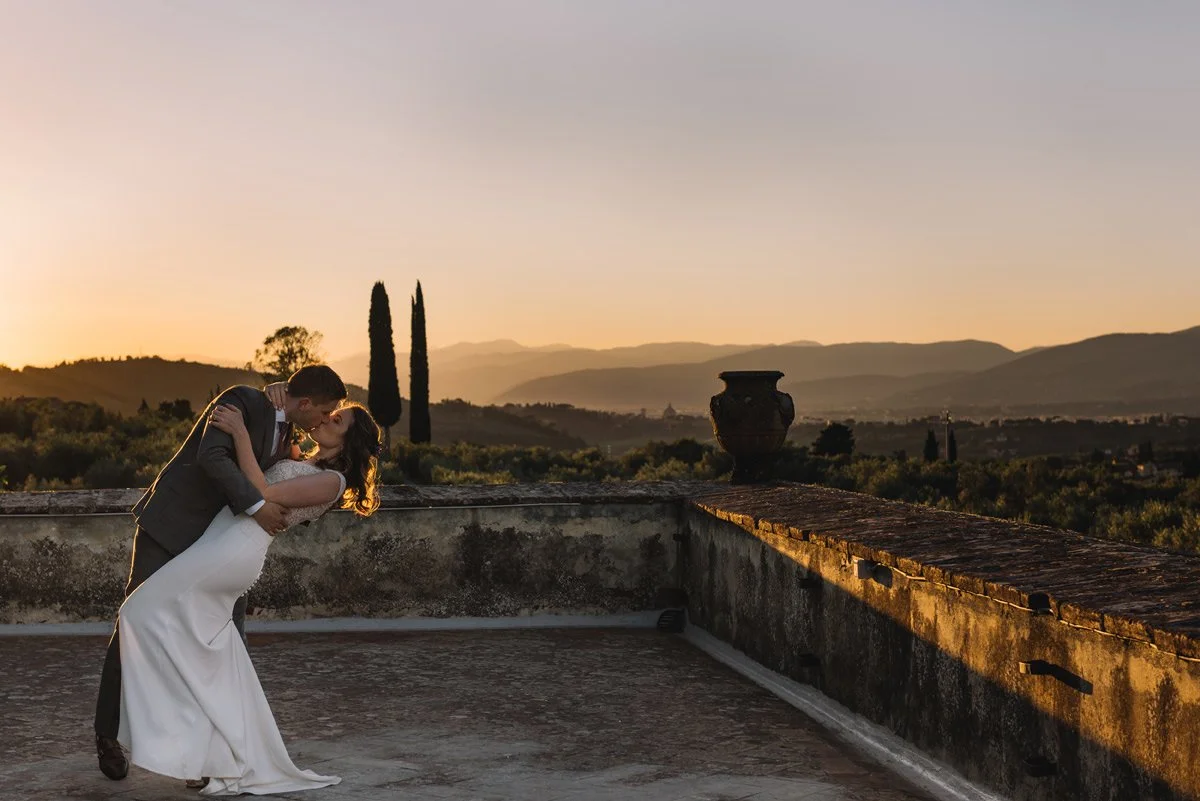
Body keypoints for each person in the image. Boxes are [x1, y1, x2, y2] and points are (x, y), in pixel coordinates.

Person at [94, 365, 347, 782]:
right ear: (305, 403)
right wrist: (257, 506)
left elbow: (291, 482)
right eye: (324, 411)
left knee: (226, 642)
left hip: (222, 546)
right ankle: (107, 735)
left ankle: (212, 754)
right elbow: (211, 456)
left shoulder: (291, 436)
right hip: (172, 528)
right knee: (134, 624)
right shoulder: (243, 400)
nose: (323, 420)